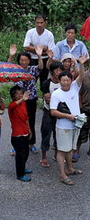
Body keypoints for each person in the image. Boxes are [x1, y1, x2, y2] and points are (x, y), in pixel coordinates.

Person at [50, 55, 88, 185]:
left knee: (70, 149)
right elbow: (53, 111)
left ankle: (70, 169)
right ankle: (62, 174)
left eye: (68, 80)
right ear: (59, 81)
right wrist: (68, 116)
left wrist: (81, 64)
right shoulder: (56, 94)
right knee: (62, 150)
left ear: (71, 80)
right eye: (63, 80)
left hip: (75, 125)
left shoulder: (74, 87)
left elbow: (81, 77)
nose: (66, 82)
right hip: (63, 127)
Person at [8, 44, 44, 154]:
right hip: (18, 101)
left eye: (26, 60)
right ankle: (16, 145)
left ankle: (31, 143)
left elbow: (41, 67)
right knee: (18, 122)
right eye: (21, 60)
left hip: (31, 100)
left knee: (31, 121)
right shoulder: (15, 70)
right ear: (19, 61)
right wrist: (11, 55)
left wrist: (39, 56)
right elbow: (8, 67)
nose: (24, 62)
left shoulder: (33, 69)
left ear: (29, 60)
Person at [39, 59, 63, 167]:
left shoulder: (64, 82)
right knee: (46, 133)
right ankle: (43, 157)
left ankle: (56, 154)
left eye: (60, 70)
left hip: (60, 113)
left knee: (58, 134)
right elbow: (48, 100)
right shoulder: (47, 83)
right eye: (56, 70)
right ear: (52, 71)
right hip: (48, 111)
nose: (58, 72)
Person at [8, 87, 33, 182]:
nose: (19, 95)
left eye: (21, 93)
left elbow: (26, 117)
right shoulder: (11, 106)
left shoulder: (23, 103)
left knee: (26, 153)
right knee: (20, 155)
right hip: (17, 135)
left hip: (25, 132)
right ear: (13, 96)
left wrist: (29, 129)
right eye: (17, 94)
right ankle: (20, 174)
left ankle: (22, 168)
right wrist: (23, 98)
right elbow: (13, 106)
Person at [23, 14, 55, 86]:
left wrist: (34, 49)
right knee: (31, 81)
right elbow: (26, 47)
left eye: (41, 23)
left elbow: (50, 51)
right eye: (37, 22)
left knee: (44, 81)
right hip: (32, 59)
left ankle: (44, 96)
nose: (39, 25)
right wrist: (43, 49)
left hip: (44, 60)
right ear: (35, 23)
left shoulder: (49, 34)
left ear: (45, 23)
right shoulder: (30, 32)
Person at [74, 65, 90, 160]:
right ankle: (77, 150)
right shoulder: (83, 76)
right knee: (82, 129)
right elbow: (78, 92)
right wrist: (80, 106)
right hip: (84, 107)